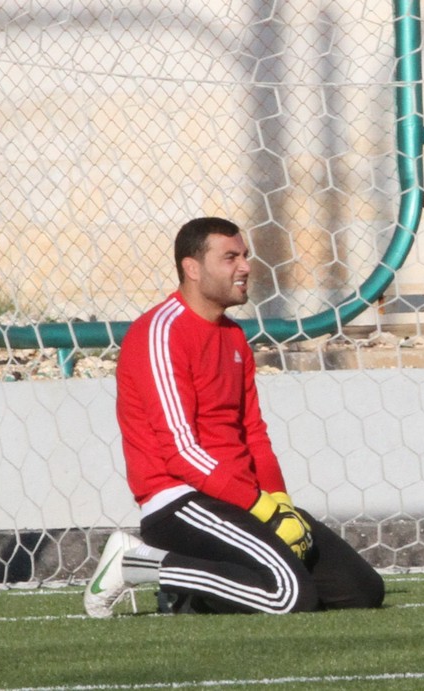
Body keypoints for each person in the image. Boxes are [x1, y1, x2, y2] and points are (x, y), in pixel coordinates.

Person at [84, 217, 384, 617]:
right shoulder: (160, 333)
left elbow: (253, 433)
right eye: (230, 258)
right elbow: (181, 452)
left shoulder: (234, 336)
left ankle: (194, 595)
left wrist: (280, 503)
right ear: (192, 268)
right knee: (290, 596)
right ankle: (135, 563)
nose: (245, 267)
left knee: (362, 590)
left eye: (245, 256)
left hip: (244, 500)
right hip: (180, 501)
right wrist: (264, 510)